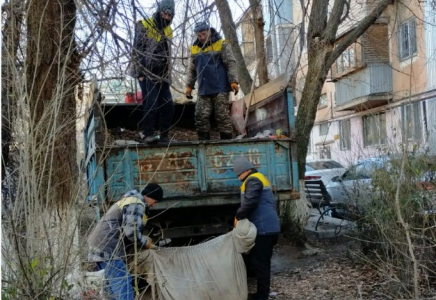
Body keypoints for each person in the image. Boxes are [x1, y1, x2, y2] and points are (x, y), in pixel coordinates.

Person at [87, 183, 164, 300]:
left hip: (99, 247)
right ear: (151, 196)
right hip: (109, 248)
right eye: (156, 201)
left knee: (112, 292)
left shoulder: (128, 200)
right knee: (123, 287)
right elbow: (131, 233)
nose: (154, 205)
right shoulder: (137, 204)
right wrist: (145, 242)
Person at [233, 156, 280, 300]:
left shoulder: (253, 180)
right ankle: (261, 294)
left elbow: (250, 202)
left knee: (262, 264)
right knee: (259, 263)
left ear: (246, 170)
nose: (238, 178)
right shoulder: (256, 178)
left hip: (264, 228)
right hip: (266, 227)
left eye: (239, 174)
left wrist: (238, 216)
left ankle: (262, 296)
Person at [185, 21, 239, 141]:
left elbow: (230, 63)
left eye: (204, 34)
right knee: (200, 116)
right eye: (199, 36)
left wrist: (233, 81)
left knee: (222, 117)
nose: (202, 38)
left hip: (220, 88)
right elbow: (192, 69)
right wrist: (189, 85)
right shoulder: (195, 48)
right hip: (204, 89)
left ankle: (226, 144)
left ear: (209, 31)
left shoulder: (221, 44)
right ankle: (204, 144)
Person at [130, 0, 175, 143]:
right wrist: (140, 73)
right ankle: (147, 133)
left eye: (170, 15)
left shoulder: (169, 30)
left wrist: (168, 74)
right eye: (165, 14)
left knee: (168, 104)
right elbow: (137, 50)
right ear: (159, 11)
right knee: (152, 102)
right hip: (147, 71)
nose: (167, 17)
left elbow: (168, 53)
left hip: (162, 73)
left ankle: (164, 136)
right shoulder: (144, 25)